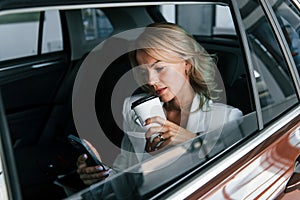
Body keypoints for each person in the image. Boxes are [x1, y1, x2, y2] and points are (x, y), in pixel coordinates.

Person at [76, 22, 243, 186]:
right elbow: (126, 172)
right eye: (143, 71)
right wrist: (101, 175)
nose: (150, 80)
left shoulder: (226, 118)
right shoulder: (133, 108)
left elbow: (230, 181)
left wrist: (194, 142)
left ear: (187, 63)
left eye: (159, 68)